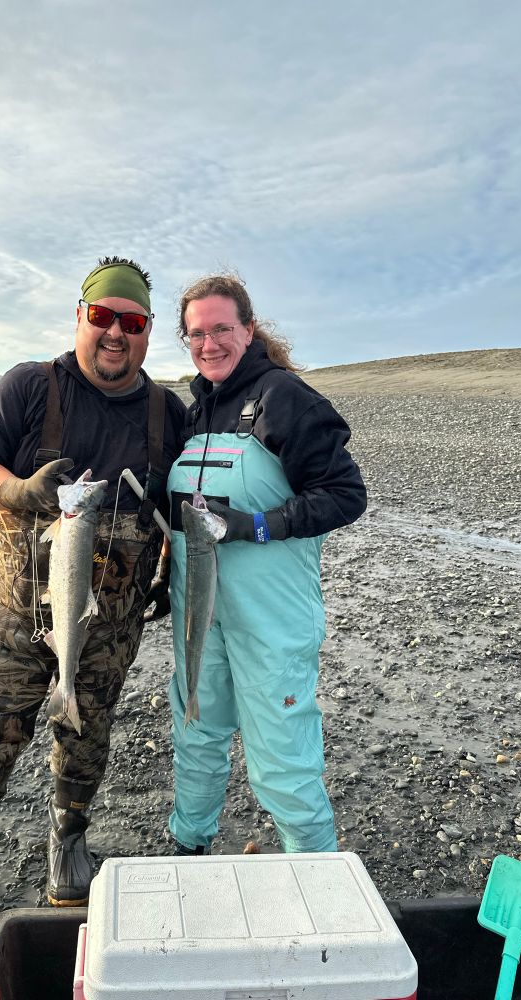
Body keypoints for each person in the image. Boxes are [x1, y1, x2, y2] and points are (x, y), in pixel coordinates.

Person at [0, 257, 185, 945]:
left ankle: (68, 836)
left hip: (111, 626)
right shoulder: (30, 386)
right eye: (103, 317)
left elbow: (182, 508)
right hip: (17, 614)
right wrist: (20, 492)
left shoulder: (166, 413)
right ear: (80, 317)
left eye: (133, 321)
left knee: (87, 733)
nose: (116, 333)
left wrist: (175, 574)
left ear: (147, 333)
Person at [166, 273, 366, 857]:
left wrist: (258, 524)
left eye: (222, 329)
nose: (210, 344)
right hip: (199, 614)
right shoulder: (194, 412)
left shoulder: (284, 398)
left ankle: (317, 876)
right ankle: (187, 846)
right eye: (197, 334)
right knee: (196, 733)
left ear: (248, 330)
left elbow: (344, 494)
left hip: (271, 622)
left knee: (282, 760)